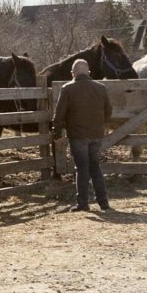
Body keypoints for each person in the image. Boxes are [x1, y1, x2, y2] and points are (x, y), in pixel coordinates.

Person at [51, 57, 114, 213]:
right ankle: (103, 202)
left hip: (78, 135)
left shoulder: (67, 89)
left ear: (73, 73)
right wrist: (103, 125)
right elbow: (109, 111)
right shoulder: (101, 88)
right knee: (95, 167)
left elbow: (59, 115)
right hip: (96, 134)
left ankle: (82, 202)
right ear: (89, 72)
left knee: (81, 168)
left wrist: (57, 133)